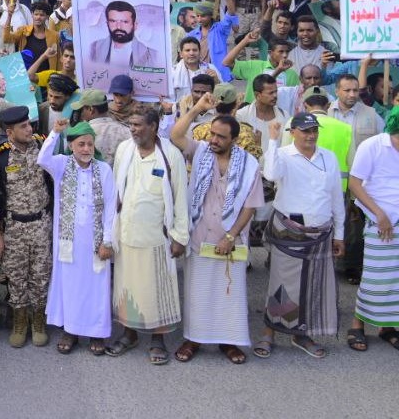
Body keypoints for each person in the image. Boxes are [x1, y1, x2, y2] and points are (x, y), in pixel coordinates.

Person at [169, 97, 262, 365]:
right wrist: (197, 109)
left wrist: (230, 236)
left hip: (230, 241)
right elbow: (176, 135)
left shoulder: (248, 165)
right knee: (197, 292)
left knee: (228, 294)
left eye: (221, 136)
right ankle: (194, 339)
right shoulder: (200, 152)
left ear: (233, 139)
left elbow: (250, 206)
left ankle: (228, 342)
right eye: (212, 133)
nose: (214, 140)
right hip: (199, 237)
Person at [256, 113, 346, 358]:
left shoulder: (328, 157)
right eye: (305, 130)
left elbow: (336, 198)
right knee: (281, 285)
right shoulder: (282, 154)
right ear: (292, 131)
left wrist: (340, 234)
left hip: (321, 234)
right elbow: (271, 175)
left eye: (314, 130)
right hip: (289, 233)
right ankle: (269, 333)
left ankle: (301, 335)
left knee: (312, 287)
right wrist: (273, 140)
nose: (311, 135)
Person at [106, 105, 188, 365]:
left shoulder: (171, 155)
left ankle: (157, 340)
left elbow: (180, 198)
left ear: (153, 126)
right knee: (127, 288)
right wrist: (109, 233)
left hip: (157, 237)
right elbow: (116, 193)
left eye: (138, 124)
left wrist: (179, 237)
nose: (133, 129)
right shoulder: (124, 150)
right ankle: (128, 335)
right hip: (127, 233)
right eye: (131, 124)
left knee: (156, 291)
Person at [38, 120, 117, 356]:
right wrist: (55, 133)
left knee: (96, 288)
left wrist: (108, 241)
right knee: (70, 287)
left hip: (95, 242)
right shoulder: (62, 165)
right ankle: (70, 331)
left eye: (90, 144)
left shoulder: (104, 169)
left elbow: (112, 207)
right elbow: (42, 159)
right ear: (71, 146)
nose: (86, 149)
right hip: (69, 243)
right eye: (81, 144)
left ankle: (97, 334)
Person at [0, 105, 53, 349]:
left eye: (29, 124)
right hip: (14, 226)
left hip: (41, 223)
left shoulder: (43, 145)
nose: (30, 129)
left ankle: (39, 321)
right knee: (15, 276)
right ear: (9, 131)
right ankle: (19, 322)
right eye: (23, 126)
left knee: (41, 275)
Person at [344, 106, 399, 352]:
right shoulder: (373, 146)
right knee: (374, 279)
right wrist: (379, 214)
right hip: (379, 222)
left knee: (396, 281)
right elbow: (355, 184)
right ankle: (357, 326)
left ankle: (388, 327)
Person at [86, 0, 164, 72]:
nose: (119, 27)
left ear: (135, 25)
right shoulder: (94, 48)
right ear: (107, 24)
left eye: (125, 22)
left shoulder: (151, 55)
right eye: (113, 21)